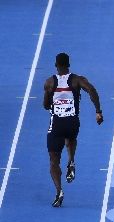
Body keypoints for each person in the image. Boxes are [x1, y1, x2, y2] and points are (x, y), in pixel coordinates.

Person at [43, 52, 103, 207]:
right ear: (69, 65)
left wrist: (54, 100)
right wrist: (98, 111)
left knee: (53, 160)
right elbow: (91, 90)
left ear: (56, 65)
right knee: (71, 138)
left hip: (56, 123)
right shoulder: (77, 80)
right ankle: (71, 161)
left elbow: (45, 105)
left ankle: (59, 191)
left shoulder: (50, 82)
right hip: (72, 122)